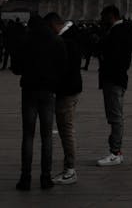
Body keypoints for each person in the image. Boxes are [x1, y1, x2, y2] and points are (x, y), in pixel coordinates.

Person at [12, 13, 68, 191]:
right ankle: (45, 177)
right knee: (46, 137)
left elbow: (16, 68)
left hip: (29, 89)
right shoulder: (56, 41)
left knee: (28, 135)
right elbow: (63, 68)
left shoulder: (25, 40)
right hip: (48, 91)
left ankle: (25, 178)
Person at [45, 12, 83, 185]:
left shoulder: (67, 41)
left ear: (54, 25)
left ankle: (70, 170)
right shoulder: (71, 36)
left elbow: (65, 67)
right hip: (70, 89)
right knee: (66, 129)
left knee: (66, 130)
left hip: (67, 90)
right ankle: (68, 167)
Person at [97, 3, 131, 165]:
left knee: (115, 116)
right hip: (116, 78)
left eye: (103, 17)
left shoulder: (118, 31)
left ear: (111, 16)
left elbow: (114, 56)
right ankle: (116, 150)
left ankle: (115, 152)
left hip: (114, 79)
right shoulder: (120, 30)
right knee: (114, 115)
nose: (101, 20)